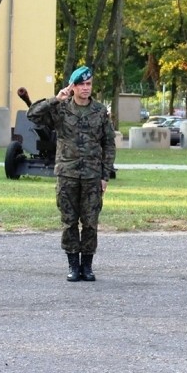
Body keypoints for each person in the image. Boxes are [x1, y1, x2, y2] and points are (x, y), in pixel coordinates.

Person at [27, 66, 116, 281]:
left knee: (90, 222)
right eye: (81, 84)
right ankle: (73, 266)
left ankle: (87, 266)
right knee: (69, 222)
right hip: (67, 174)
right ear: (72, 87)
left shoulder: (100, 111)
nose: (86, 88)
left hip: (92, 176)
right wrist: (55, 99)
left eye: (89, 84)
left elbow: (109, 144)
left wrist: (105, 176)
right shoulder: (61, 109)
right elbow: (33, 115)